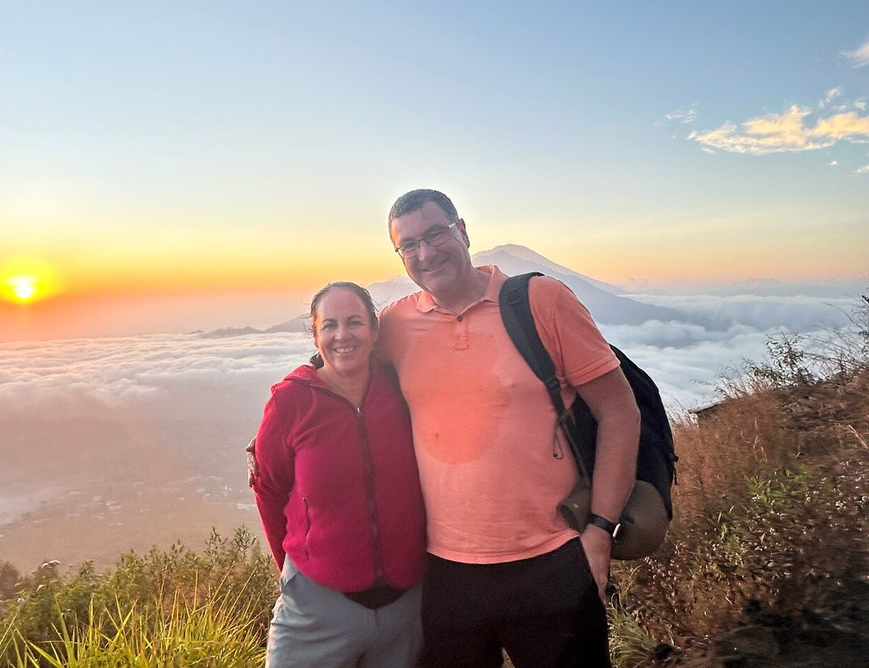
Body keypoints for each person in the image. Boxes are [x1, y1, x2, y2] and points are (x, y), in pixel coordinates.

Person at [378, 189, 641, 668]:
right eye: (409, 244)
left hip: (554, 560)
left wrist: (601, 531)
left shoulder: (542, 301)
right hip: (445, 573)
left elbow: (620, 412)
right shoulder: (395, 325)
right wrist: (277, 429)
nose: (425, 252)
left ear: (462, 230)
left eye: (436, 233)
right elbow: (338, 367)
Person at [251, 282, 427, 668]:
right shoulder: (291, 401)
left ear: (374, 331)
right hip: (316, 609)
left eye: (354, 322)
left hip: (405, 607)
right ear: (315, 336)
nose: (342, 335)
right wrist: (296, 571)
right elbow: (268, 488)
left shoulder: (404, 390)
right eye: (329, 325)